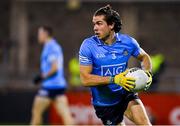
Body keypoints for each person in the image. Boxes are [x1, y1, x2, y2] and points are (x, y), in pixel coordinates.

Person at [79, 5, 152, 125]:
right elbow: (85, 79)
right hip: (105, 104)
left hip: (125, 93)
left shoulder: (128, 42)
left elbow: (144, 57)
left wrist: (148, 73)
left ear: (111, 25)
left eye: (99, 23)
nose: (95, 28)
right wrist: (114, 79)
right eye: (94, 24)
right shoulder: (88, 46)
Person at [30, 25, 74, 125]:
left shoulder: (51, 47)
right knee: (65, 114)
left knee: (36, 112)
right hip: (59, 86)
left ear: (45, 34)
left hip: (50, 86)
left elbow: (54, 67)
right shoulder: (54, 46)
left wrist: (41, 77)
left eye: (39, 33)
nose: (38, 36)